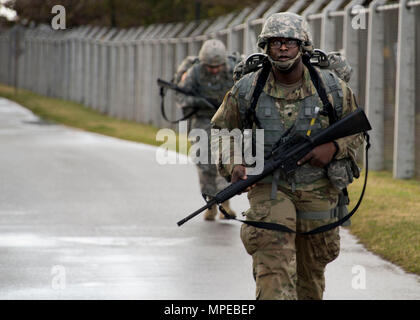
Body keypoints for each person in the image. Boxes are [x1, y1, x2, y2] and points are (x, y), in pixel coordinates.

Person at [211, 12, 364, 299]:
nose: (282, 48)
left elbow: (358, 129)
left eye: (289, 42)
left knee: (310, 278)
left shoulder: (331, 88)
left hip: (319, 188)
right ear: (265, 46)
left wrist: (333, 147)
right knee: (274, 271)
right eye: (275, 42)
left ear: (302, 45)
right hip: (269, 186)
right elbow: (222, 131)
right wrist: (235, 163)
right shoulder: (247, 89)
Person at [176, 39, 237, 221]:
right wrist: (201, 102)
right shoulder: (194, 73)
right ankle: (211, 203)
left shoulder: (233, 70)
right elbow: (182, 97)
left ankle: (225, 203)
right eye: (210, 67)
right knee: (205, 163)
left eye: (218, 66)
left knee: (227, 162)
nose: (215, 70)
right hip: (203, 121)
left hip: (227, 122)